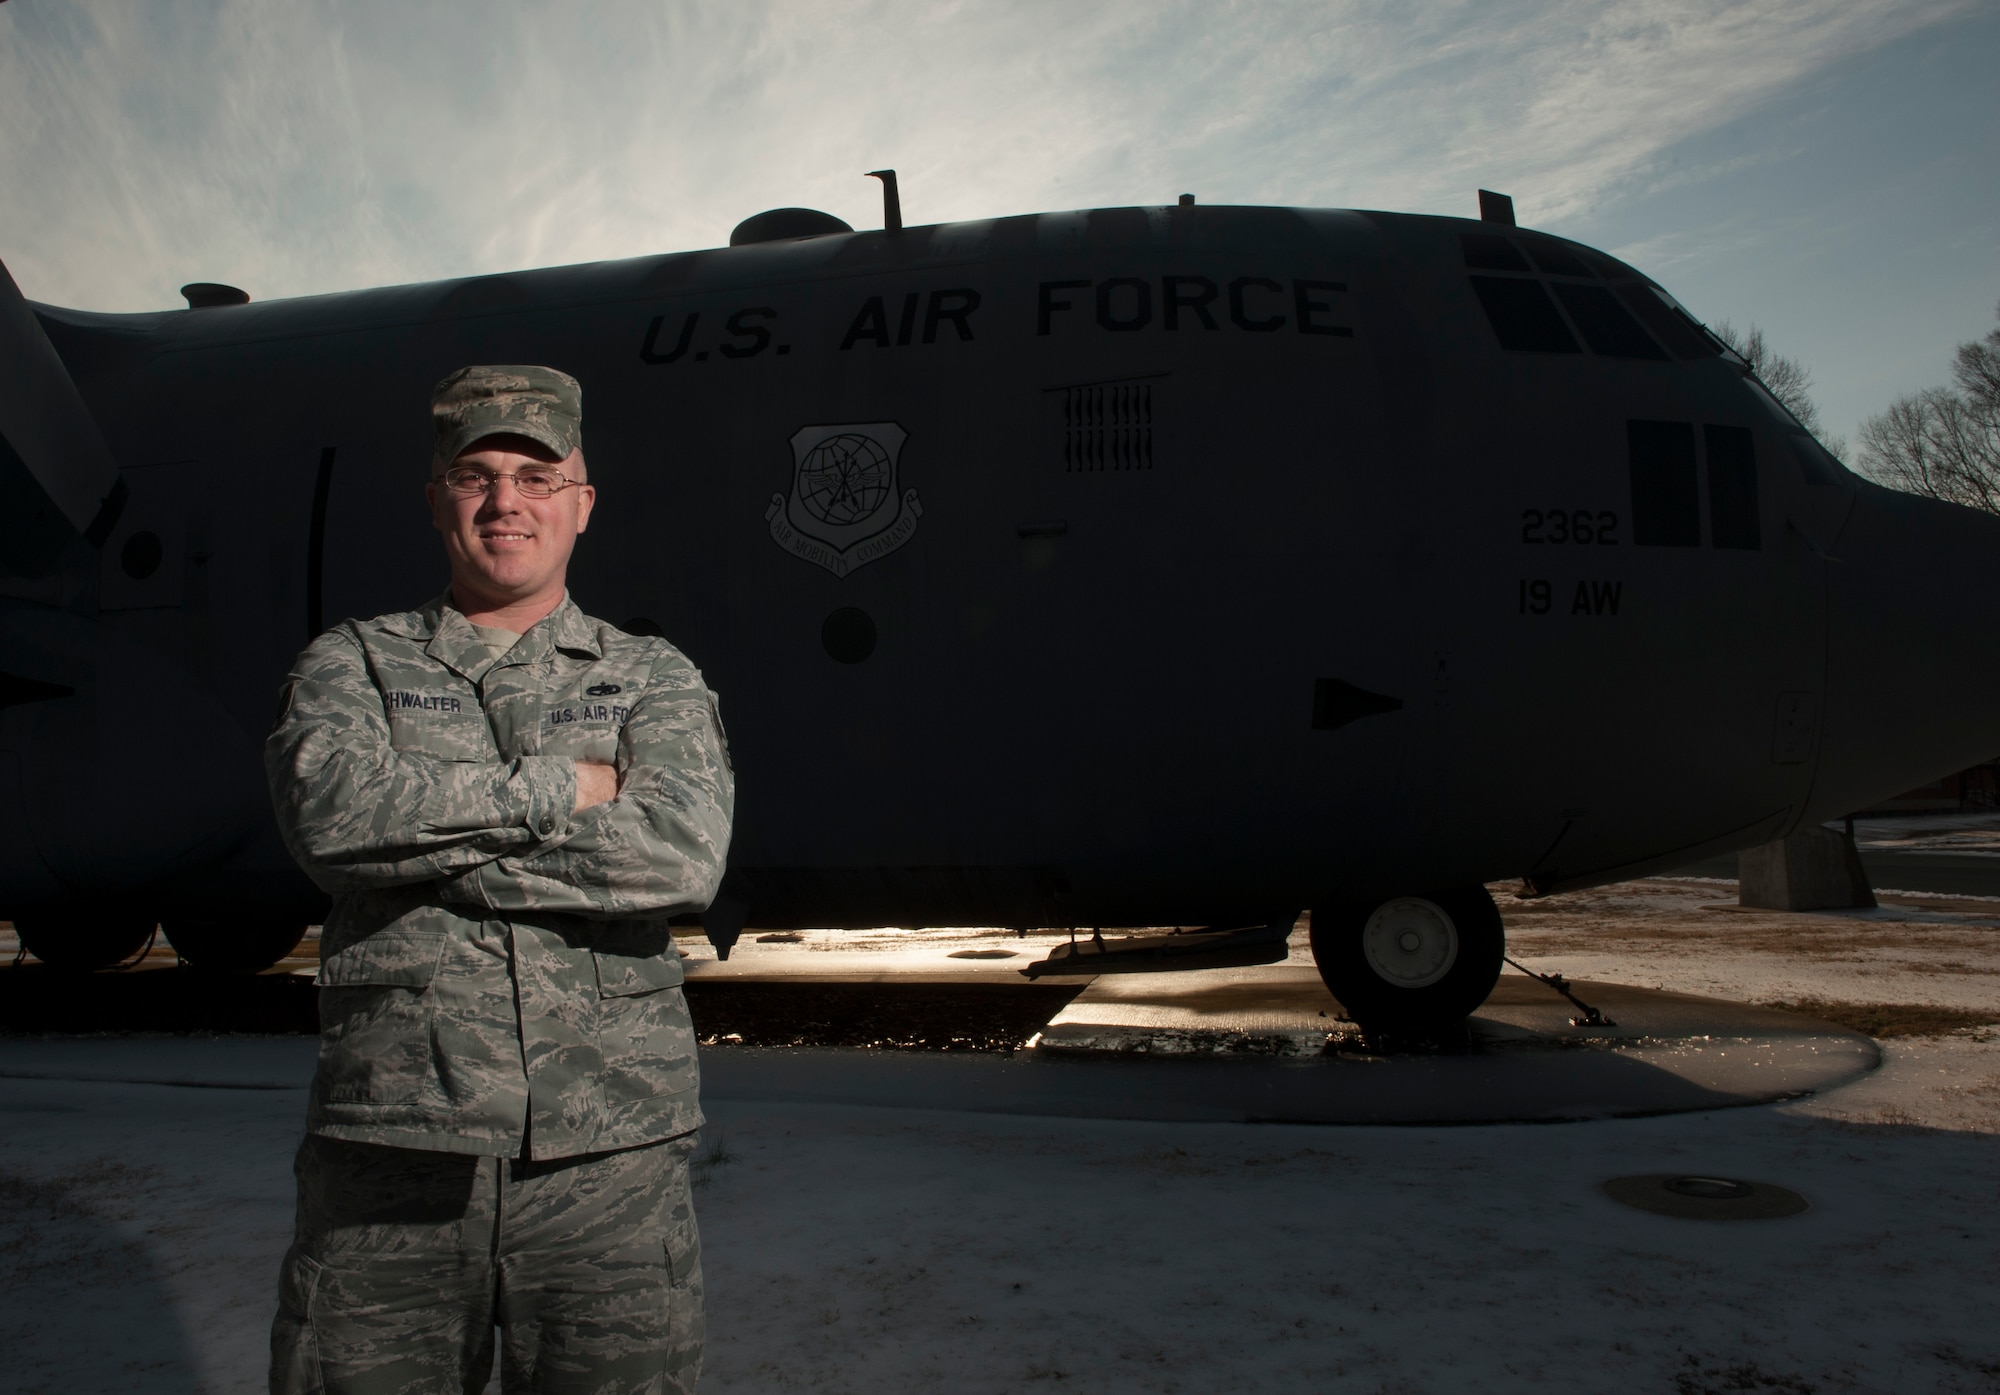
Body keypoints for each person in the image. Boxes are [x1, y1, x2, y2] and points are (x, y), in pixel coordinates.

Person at [264, 364, 734, 1395]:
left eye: (535, 475)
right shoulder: (353, 666)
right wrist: (566, 790)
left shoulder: (651, 676)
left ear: (581, 504)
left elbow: (679, 854)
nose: (505, 501)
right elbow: (336, 821)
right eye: (474, 474)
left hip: (608, 1160)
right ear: (436, 498)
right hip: (391, 1161)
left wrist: (427, 849)